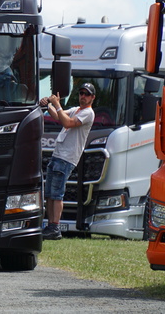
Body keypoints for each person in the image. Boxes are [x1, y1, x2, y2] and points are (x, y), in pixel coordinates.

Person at [38, 82, 95, 240]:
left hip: (66, 157)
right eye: (81, 93)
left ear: (92, 98)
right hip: (58, 154)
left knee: (57, 194)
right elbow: (58, 115)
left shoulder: (88, 113)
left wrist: (56, 104)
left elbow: (67, 122)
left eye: (86, 94)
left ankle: (55, 227)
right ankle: (50, 225)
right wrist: (48, 104)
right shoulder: (76, 110)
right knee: (49, 193)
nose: (83, 96)